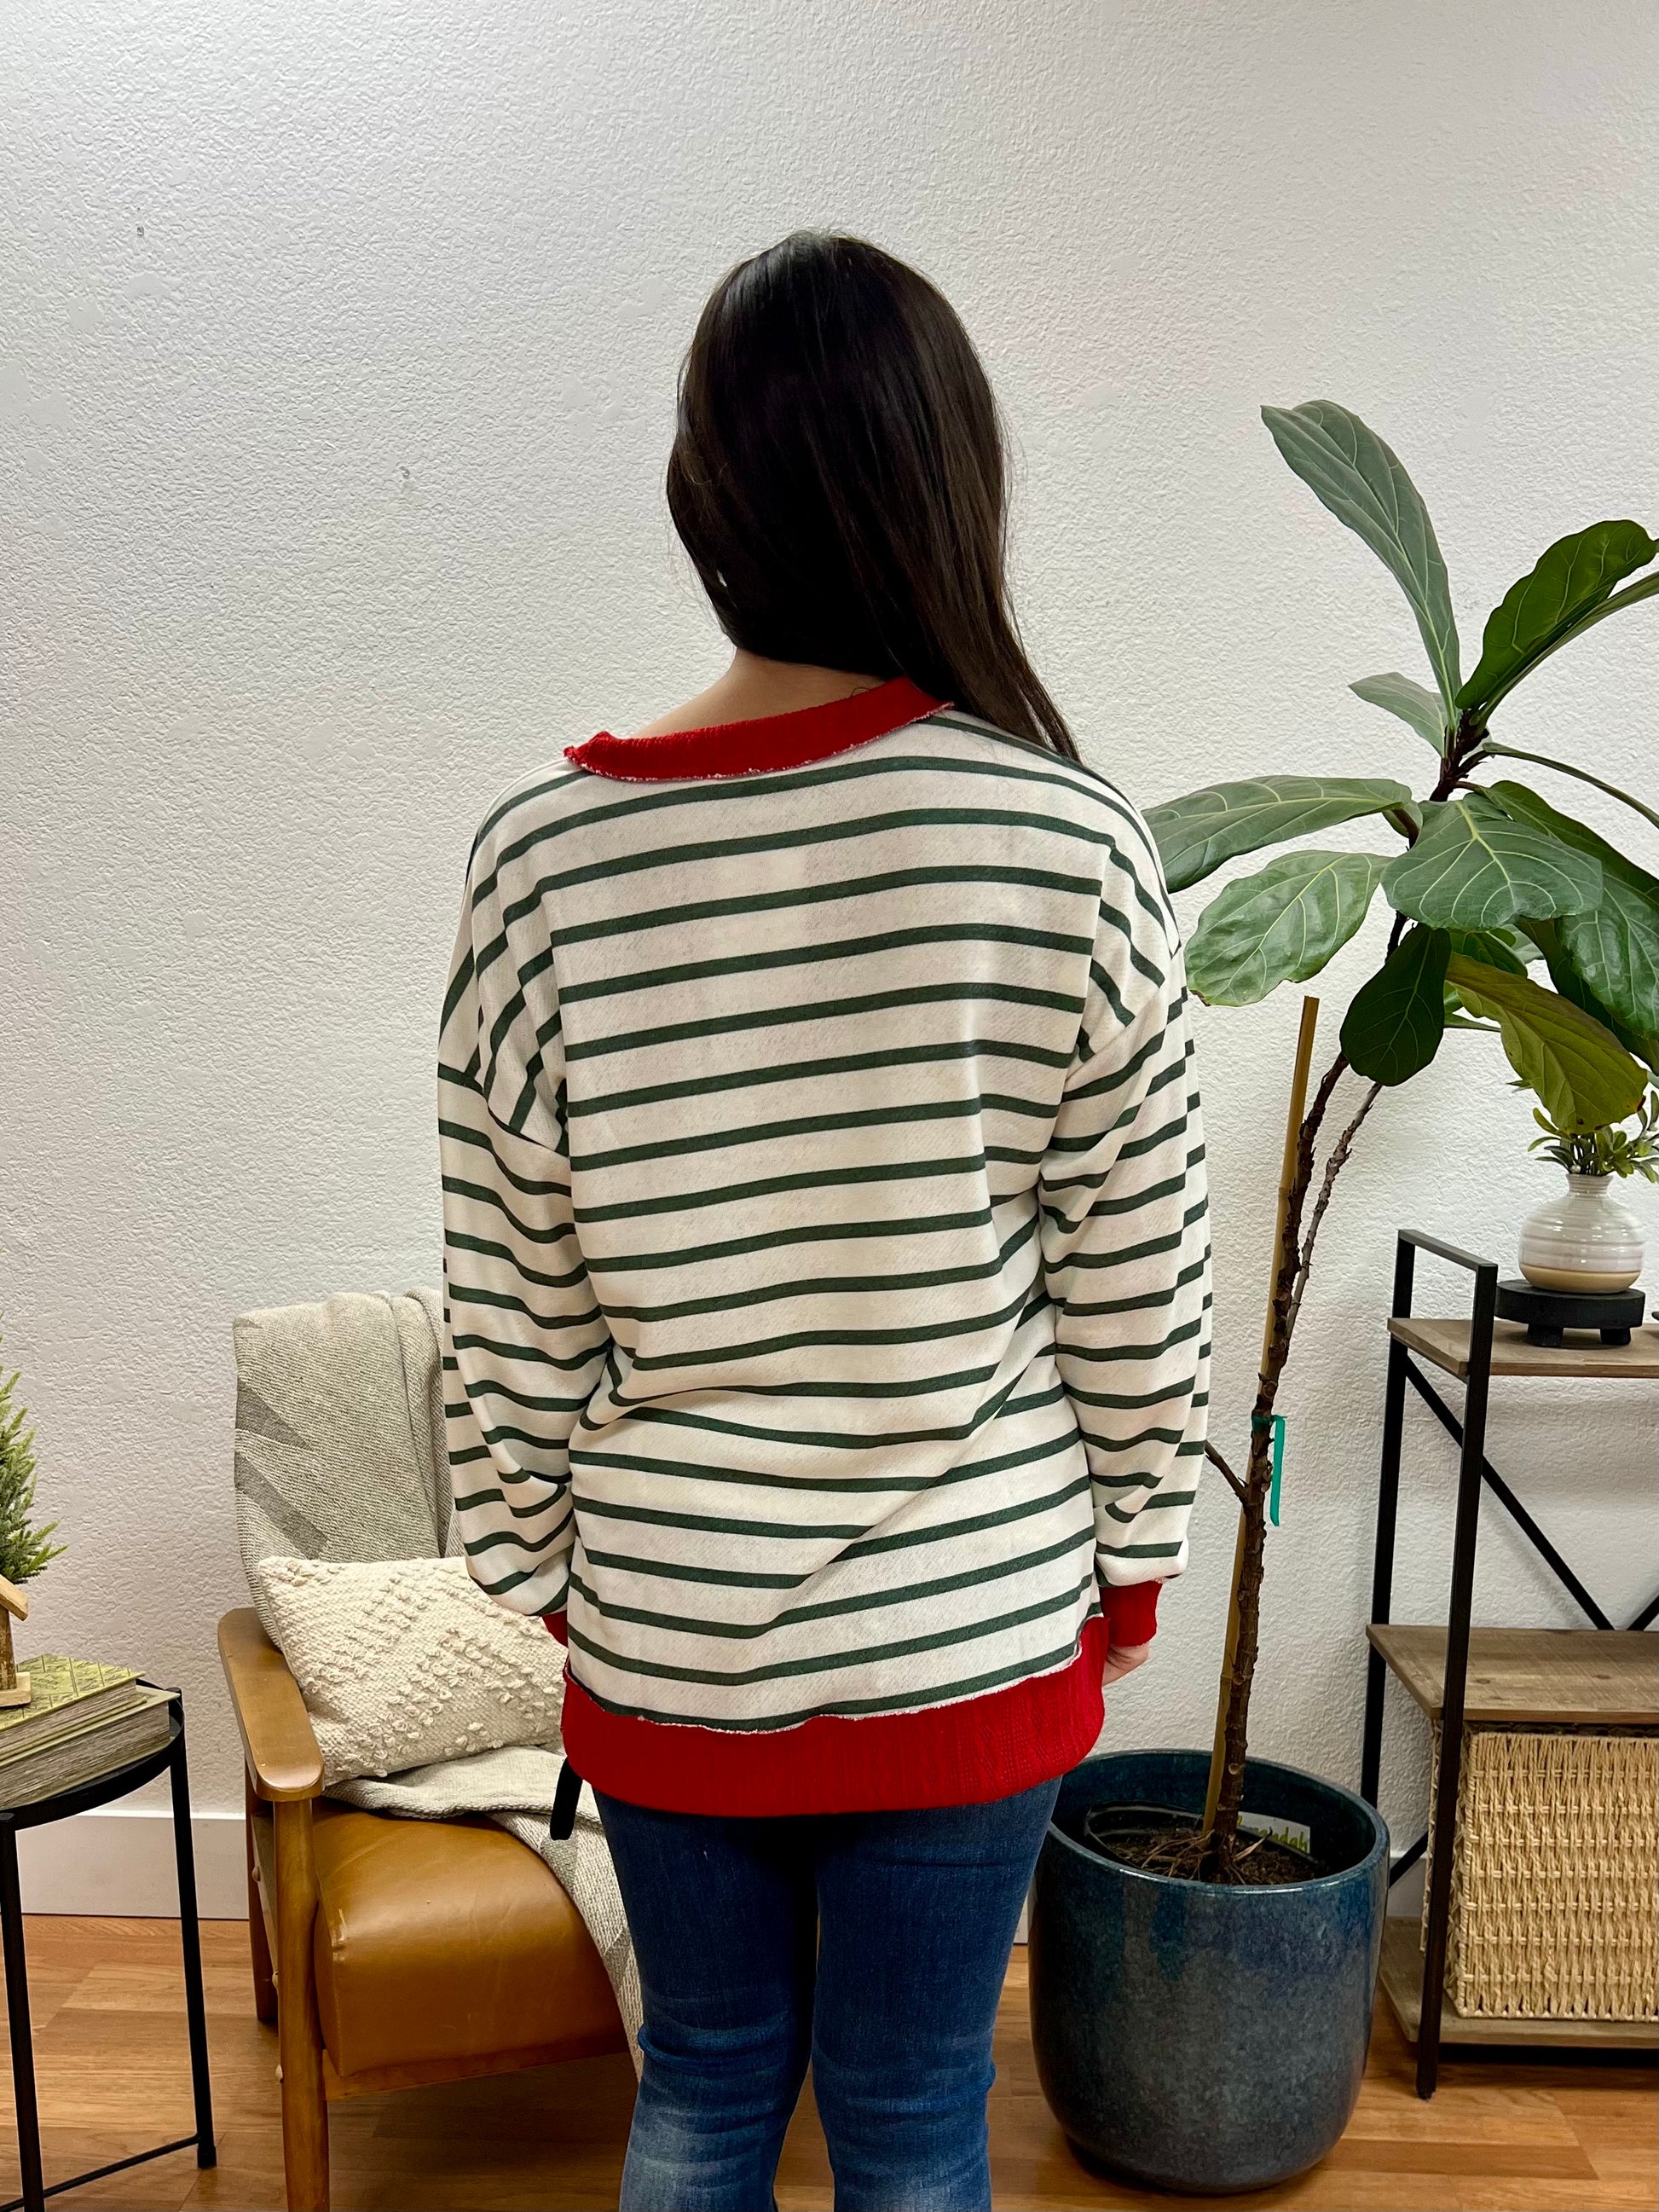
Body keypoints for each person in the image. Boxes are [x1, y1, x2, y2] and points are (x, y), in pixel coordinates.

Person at [438, 232, 1210, 2212]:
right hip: (975, 1620)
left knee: (701, 2090)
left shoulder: (541, 857)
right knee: (917, 2110)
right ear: (953, 483)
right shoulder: (1067, 842)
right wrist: (1131, 1565)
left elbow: (510, 1296)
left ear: (701, 492)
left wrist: (547, 1568)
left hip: (670, 1629)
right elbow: (1138, 1290)